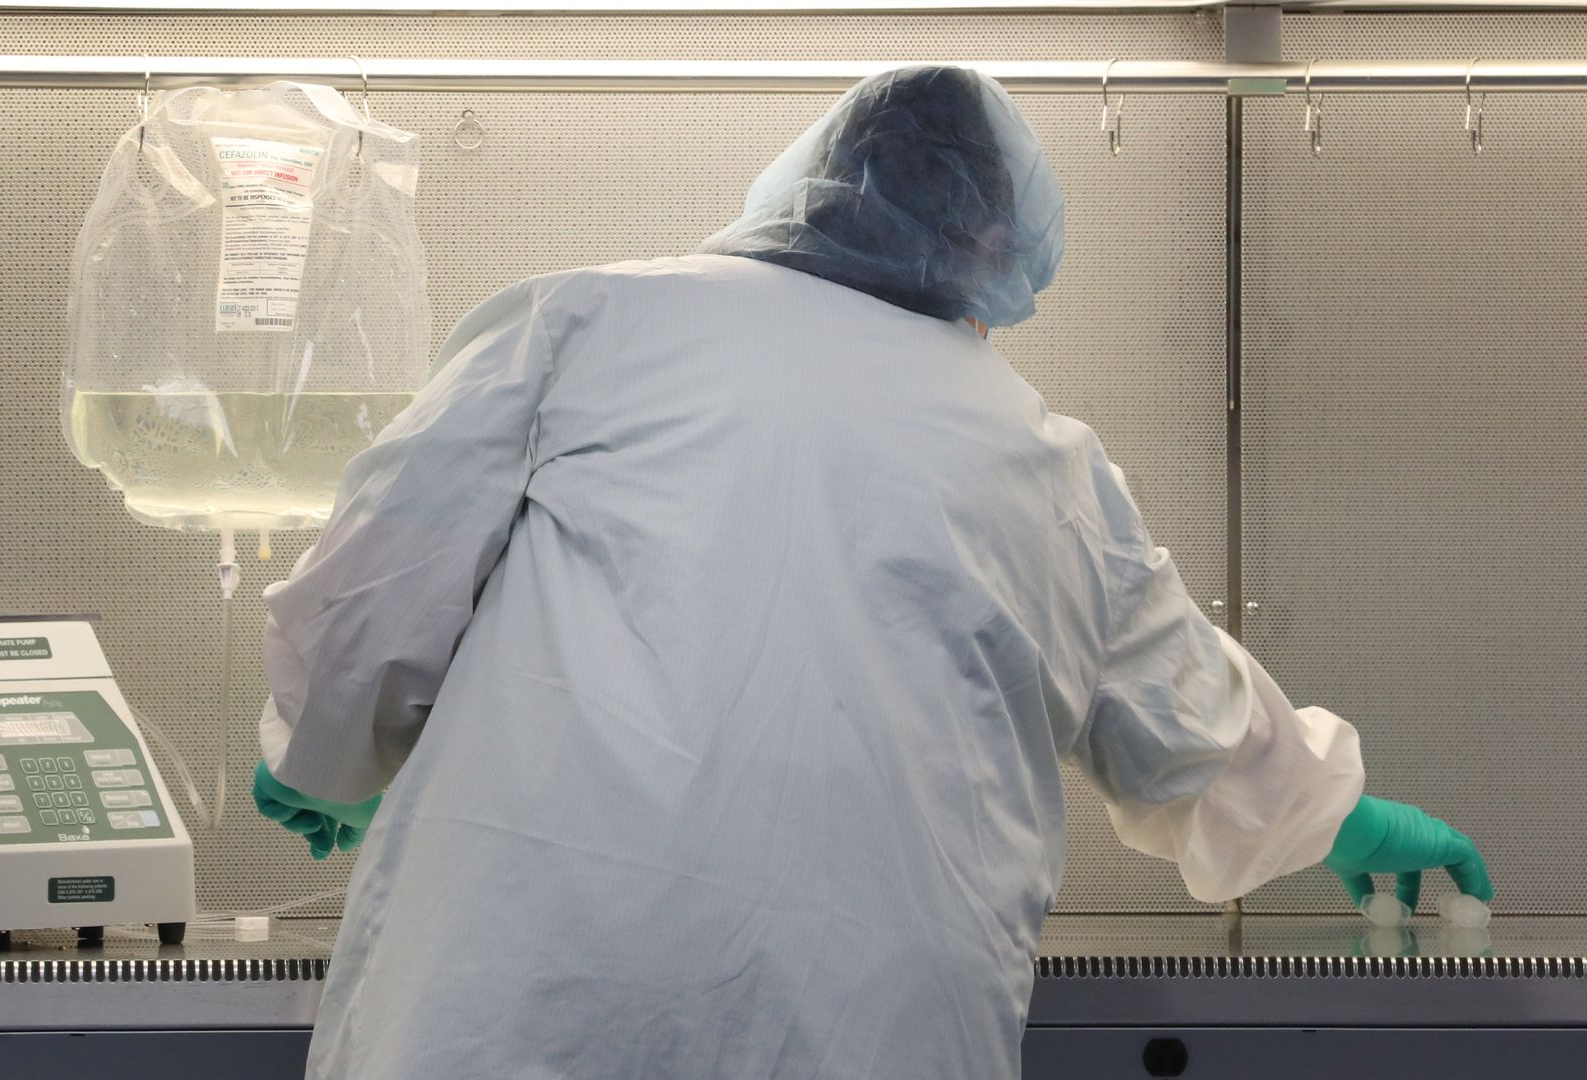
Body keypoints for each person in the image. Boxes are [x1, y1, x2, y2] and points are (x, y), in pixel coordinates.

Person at [251, 65, 1492, 1079]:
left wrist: (323, 756)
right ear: (994, 262)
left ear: (801, 186)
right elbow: (1196, 735)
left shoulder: (586, 323)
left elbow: (372, 592)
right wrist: (1343, 817)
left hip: (514, 1022)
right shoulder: (1037, 459)